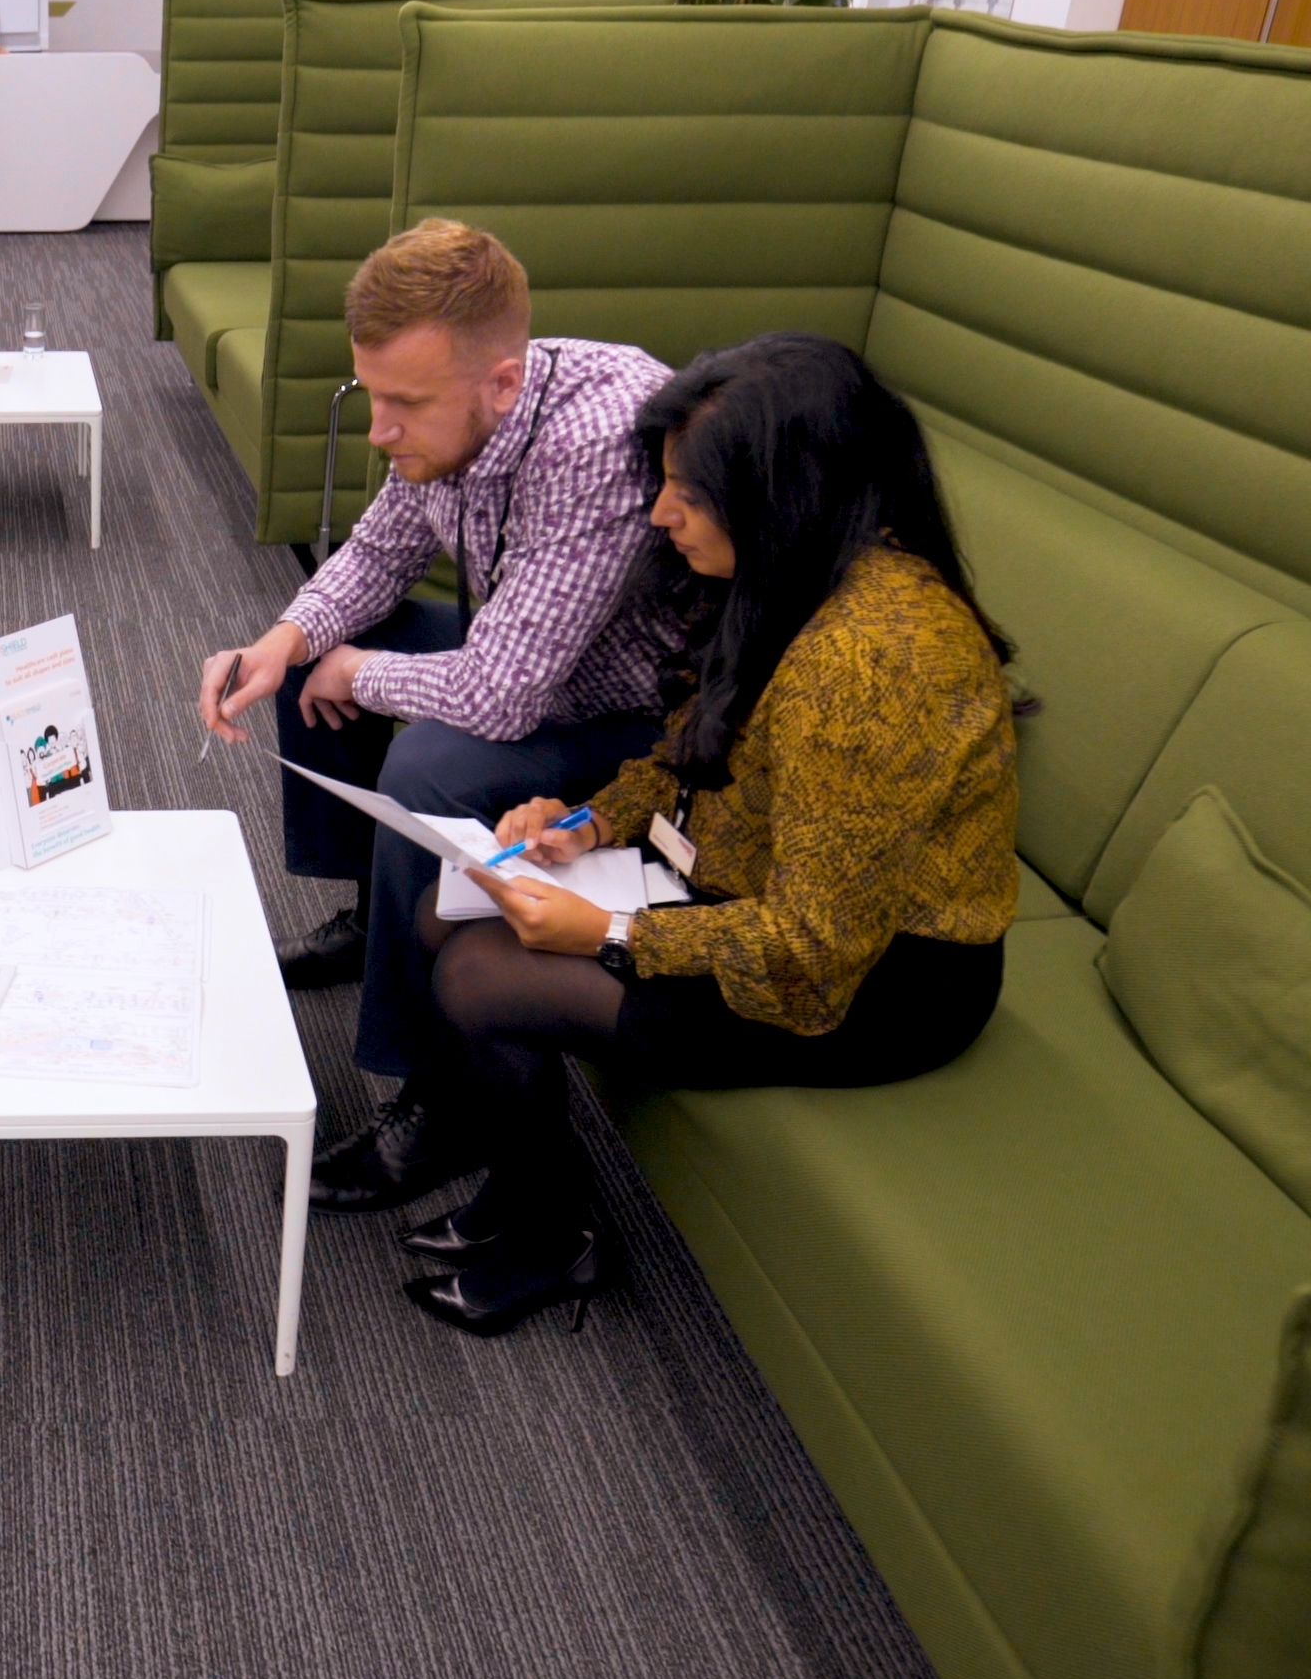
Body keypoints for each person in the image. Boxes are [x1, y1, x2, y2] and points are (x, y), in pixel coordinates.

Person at [405, 333, 1023, 1336]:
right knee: (453, 910)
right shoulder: (794, 570)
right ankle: (526, 1194)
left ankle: (551, 1235)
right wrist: (587, 821)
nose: (660, 514)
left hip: (878, 981)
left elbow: (814, 955)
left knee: (481, 973)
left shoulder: (872, 663)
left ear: (784, 491)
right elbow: (700, 750)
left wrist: (608, 936)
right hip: (750, 891)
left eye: (688, 494)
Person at [195, 219, 684, 1211]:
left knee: (431, 763)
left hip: (640, 721)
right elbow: (376, 557)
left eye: (402, 405)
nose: (379, 430)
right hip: (533, 661)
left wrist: (358, 670)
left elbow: (504, 696)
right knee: (304, 656)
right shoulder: (461, 407)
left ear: (502, 384)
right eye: (373, 394)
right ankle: (372, 911)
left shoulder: (596, 444)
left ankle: (440, 1089)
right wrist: (285, 642)